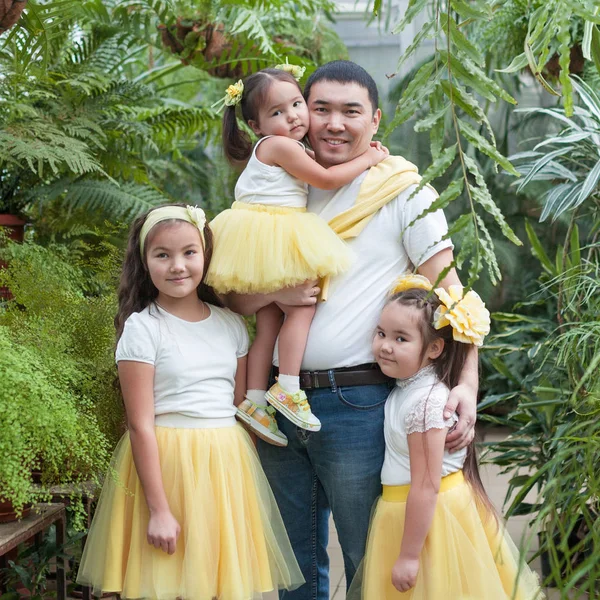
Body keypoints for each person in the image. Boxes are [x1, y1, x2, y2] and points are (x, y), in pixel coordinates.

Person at [226, 60, 480, 600]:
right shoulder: (281, 187)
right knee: (293, 565)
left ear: (375, 119)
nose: (333, 123)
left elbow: (452, 296)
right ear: (300, 114)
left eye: (351, 111)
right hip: (276, 401)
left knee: (371, 558)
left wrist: (467, 384)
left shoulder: (400, 190)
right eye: (320, 108)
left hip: (357, 403)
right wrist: (276, 293)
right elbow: (235, 296)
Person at [77, 205, 304, 599]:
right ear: (144, 262)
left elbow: (238, 407)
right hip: (168, 465)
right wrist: (159, 509)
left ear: (205, 256)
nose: (177, 265)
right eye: (162, 254)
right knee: (170, 581)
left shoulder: (231, 325)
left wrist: (243, 485)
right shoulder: (143, 329)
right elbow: (140, 424)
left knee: (217, 583)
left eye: (188, 252)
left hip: (225, 465)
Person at [206, 67, 389, 445]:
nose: (292, 115)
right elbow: (326, 179)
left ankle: (255, 399)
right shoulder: (282, 146)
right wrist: (369, 159)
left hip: (261, 234)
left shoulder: (282, 146)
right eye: (277, 112)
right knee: (301, 307)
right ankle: (288, 385)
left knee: (270, 320)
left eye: (296, 104)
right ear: (257, 125)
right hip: (274, 229)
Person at [347, 274, 543, 599]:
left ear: (435, 347)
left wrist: (409, 555)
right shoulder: (405, 390)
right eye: (381, 333)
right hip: (405, 515)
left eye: (400, 339)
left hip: (431, 524)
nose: (384, 345)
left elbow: (426, 484)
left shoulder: (426, 402)